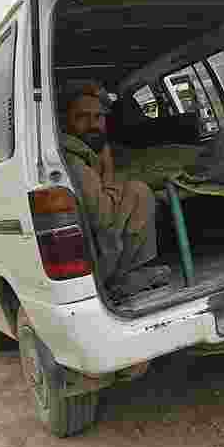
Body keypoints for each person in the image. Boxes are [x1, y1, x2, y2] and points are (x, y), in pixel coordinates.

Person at [58, 80, 170, 299]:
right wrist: (108, 170)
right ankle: (117, 279)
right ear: (65, 123)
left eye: (98, 117)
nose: (92, 124)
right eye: (81, 117)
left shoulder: (88, 151)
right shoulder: (74, 162)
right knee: (138, 191)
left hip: (102, 250)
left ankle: (125, 275)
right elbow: (102, 218)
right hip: (98, 260)